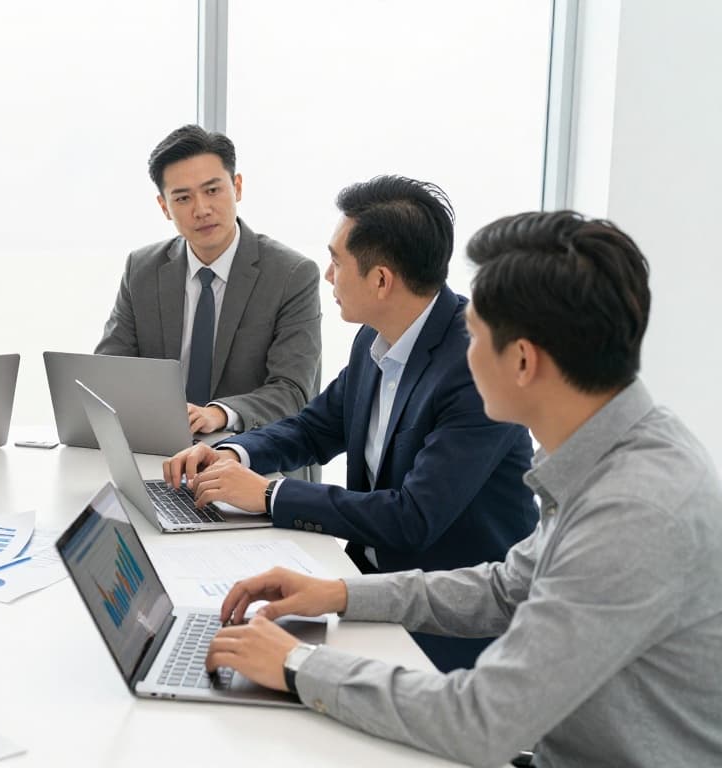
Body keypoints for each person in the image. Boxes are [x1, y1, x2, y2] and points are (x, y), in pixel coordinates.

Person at [202, 211, 722, 766]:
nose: (462, 350)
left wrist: (297, 665)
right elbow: (507, 588)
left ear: (522, 361)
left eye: (473, 335)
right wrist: (341, 595)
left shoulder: (635, 513)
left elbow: (481, 722)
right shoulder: (612, 450)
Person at [166, 176, 537, 671]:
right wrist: (233, 454)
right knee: (232, 632)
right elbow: (315, 428)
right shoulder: (375, 339)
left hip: (451, 625)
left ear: (381, 280)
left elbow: (413, 517)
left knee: (270, 671)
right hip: (365, 583)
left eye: (337, 261)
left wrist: (270, 496)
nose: (327, 275)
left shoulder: (475, 368)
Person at [95, 124, 322, 451]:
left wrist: (219, 413)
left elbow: (292, 390)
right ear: (164, 206)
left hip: (251, 454)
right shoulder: (142, 269)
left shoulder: (291, 274)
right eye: (183, 198)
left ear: (237, 187)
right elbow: (109, 373)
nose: (201, 209)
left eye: (213, 190)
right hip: (160, 452)